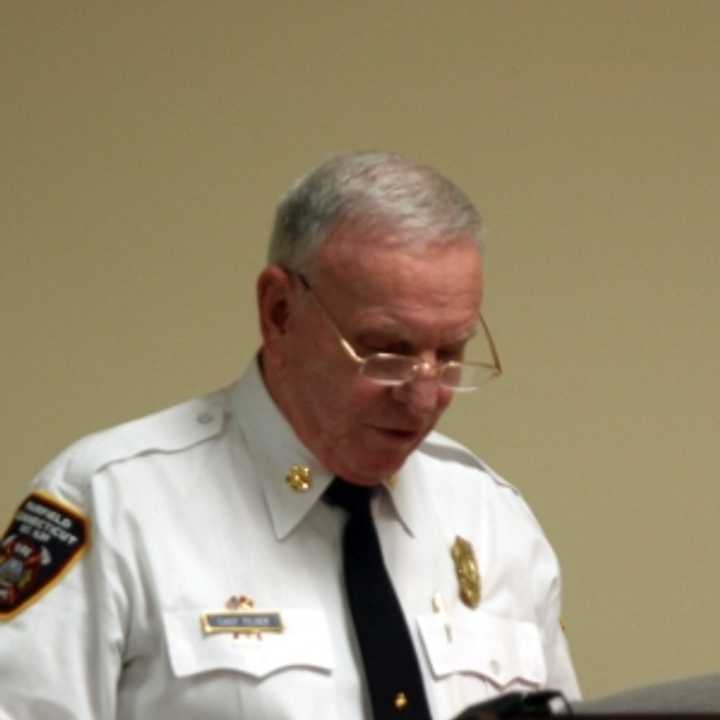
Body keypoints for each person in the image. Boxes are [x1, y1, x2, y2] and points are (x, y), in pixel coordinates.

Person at [0, 152, 580, 719]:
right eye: (386, 351)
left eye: (449, 353)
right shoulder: (112, 504)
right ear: (279, 311)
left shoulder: (492, 519)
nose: (424, 397)